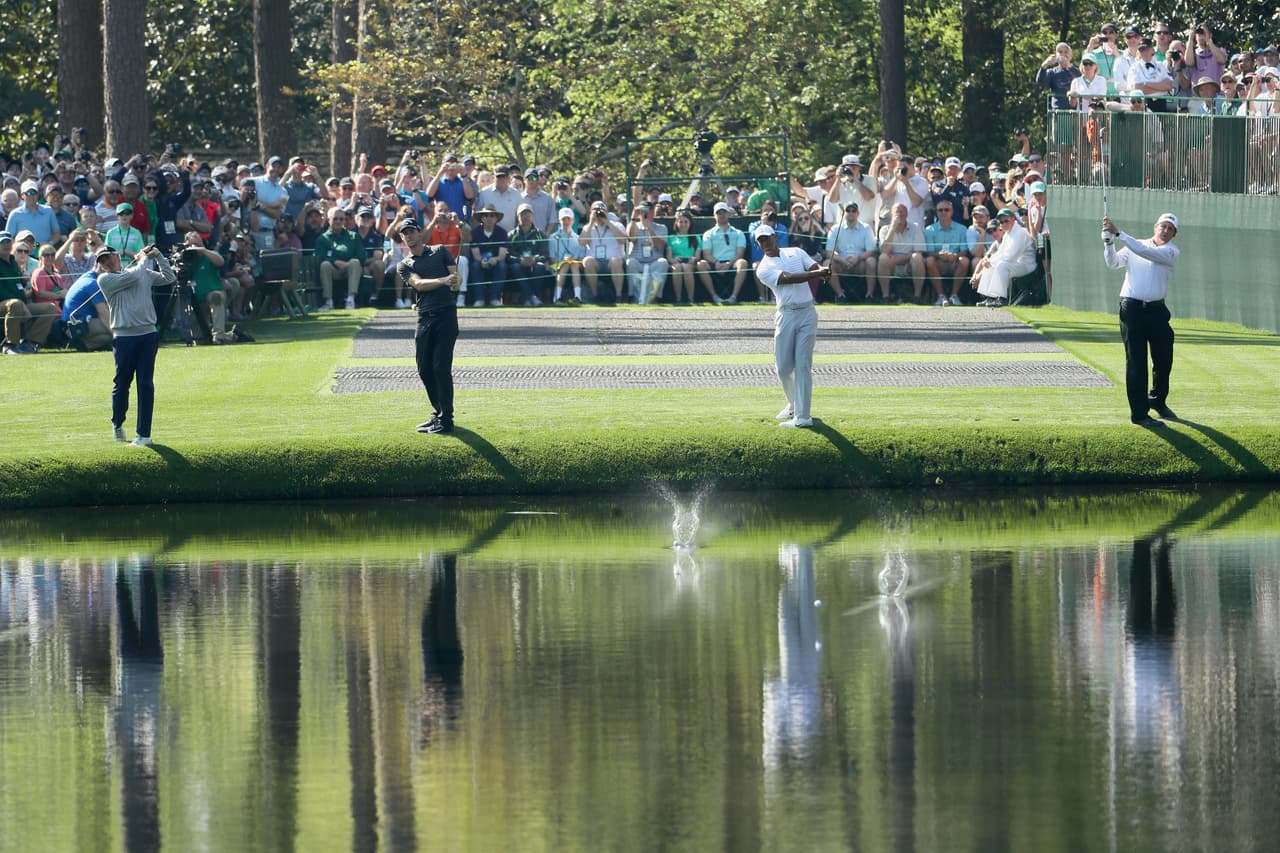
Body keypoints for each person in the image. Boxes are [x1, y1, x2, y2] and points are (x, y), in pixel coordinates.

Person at [1103, 212, 1181, 426]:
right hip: (1132, 310)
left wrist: (1119, 233)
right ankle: (1139, 414)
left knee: (1164, 359)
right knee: (1136, 361)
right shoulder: (1134, 244)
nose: (1165, 231)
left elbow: (1147, 253)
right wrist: (1109, 243)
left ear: (1174, 234)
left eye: (1170, 229)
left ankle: (1157, 400)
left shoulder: (1171, 251)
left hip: (1157, 311)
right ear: (1155, 226)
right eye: (1163, 226)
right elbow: (1113, 263)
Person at [97, 244, 177, 445]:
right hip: (124, 338)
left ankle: (144, 435)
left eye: (108, 257)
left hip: (147, 334)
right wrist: (144, 258)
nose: (106, 262)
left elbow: (169, 277)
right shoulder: (105, 279)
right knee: (122, 383)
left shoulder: (141, 271)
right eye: (102, 260)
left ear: (117, 255)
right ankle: (117, 423)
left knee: (145, 383)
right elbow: (133, 277)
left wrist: (159, 256)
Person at [753, 225, 829, 429]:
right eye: (760, 241)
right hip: (786, 314)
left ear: (775, 237)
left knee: (802, 364)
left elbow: (812, 266)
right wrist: (817, 273)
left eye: (767, 238)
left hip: (807, 312)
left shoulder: (796, 252)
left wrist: (822, 272)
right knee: (783, 368)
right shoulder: (763, 268)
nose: (765, 243)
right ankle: (793, 404)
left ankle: (803, 416)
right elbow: (788, 279)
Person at [396, 220, 461, 435]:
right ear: (402, 237)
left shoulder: (440, 251)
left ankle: (446, 419)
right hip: (424, 318)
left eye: (412, 231)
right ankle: (439, 412)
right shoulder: (404, 264)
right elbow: (418, 284)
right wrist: (445, 280)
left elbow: (456, 279)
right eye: (405, 233)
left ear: (419, 232)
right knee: (424, 369)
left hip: (446, 315)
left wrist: (455, 281)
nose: (409, 235)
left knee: (441, 367)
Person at [1, 230, 58, 354]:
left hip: (20, 302)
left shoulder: (13, 262)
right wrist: (21, 302)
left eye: (8, 242)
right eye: (2, 243)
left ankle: (30, 343)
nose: (6, 245)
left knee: (51, 308)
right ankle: (10, 345)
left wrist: (22, 282)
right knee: (15, 304)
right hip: (6, 303)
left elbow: (16, 286)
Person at [971, 207, 1036, 306]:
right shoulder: (1007, 234)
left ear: (1013, 219)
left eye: (1006, 221)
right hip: (1016, 264)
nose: (1003, 224)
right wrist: (989, 261)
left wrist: (992, 262)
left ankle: (1002, 299)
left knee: (1001, 265)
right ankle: (990, 297)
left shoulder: (1020, 232)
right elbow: (1000, 253)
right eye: (1001, 222)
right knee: (991, 265)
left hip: (1027, 266)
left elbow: (1011, 256)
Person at [60, 262, 113, 351]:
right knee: (118, 329)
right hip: (76, 324)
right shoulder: (93, 284)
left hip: (71, 323)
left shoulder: (87, 277)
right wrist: (117, 335)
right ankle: (86, 344)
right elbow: (103, 313)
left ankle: (86, 344)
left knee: (108, 335)